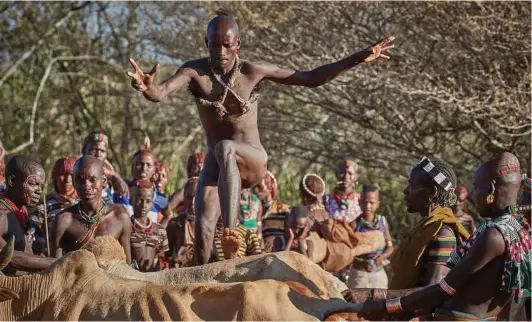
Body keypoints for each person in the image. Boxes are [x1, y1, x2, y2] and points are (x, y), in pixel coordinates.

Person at [128, 10, 394, 264]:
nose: (220, 52)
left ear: (238, 44)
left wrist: (359, 57)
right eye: (213, 46)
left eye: (226, 45)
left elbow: (311, 78)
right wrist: (146, 87)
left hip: (251, 158)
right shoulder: (194, 72)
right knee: (203, 224)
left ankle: (231, 233)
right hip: (219, 163)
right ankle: (205, 280)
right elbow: (161, 92)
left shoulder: (251, 72)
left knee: (226, 148)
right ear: (205, 43)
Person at [360, 152, 531, 321]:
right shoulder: (515, 229)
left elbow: (444, 288)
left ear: (491, 189)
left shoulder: (492, 235)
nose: (474, 194)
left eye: (476, 187)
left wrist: (383, 303)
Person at [389, 156, 469, 289]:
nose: (406, 191)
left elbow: (430, 292)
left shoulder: (443, 233)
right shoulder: (426, 227)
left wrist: (377, 297)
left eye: (412, 185)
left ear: (432, 192)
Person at [51, 155, 132, 264]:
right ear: (74, 183)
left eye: (92, 180)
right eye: (80, 180)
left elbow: (128, 266)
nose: (86, 186)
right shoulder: (63, 221)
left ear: (103, 181)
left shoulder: (120, 217)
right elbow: (55, 269)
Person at [0, 155, 55, 274]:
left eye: (41, 186)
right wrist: (57, 262)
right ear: (12, 181)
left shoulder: (21, 211)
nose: (39, 191)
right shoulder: (2, 215)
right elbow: (9, 257)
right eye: (33, 184)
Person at [300, 173, 359, 273]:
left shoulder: (307, 215)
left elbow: (303, 240)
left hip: (316, 267)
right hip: (332, 265)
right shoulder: (327, 214)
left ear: (303, 195)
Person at [349, 184, 393, 289]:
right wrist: (361, 261)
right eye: (365, 202)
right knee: (357, 304)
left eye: (371, 203)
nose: (368, 206)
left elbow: (390, 247)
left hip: (379, 273)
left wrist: (382, 257)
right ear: (359, 203)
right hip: (359, 276)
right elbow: (348, 251)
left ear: (378, 204)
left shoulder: (382, 222)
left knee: (379, 303)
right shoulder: (354, 224)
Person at [114, 140, 168, 223]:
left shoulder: (160, 198)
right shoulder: (121, 187)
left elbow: (168, 215)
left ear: (154, 170)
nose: (144, 169)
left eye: (148, 165)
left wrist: (158, 232)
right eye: (139, 164)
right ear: (132, 168)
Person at [129, 178, 169, 272]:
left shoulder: (160, 230)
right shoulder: (126, 228)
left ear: (152, 203)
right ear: (132, 200)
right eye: (139, 200)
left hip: (153, 279)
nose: (143, 205)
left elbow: (161, 256)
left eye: (148, 201)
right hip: (131, 278)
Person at [81, 131, 129, 203]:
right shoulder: (75, 172)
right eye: (93, 149)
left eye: (102, 151)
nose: (98, 154)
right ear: (84, 151)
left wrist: (115, 176)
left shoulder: (113, 180)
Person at [253, 171, 291, 252]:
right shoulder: (252, 210)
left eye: (259, 186)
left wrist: (275, 237)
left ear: (270, 187)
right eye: (254, 186)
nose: (256, 190)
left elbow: (293, 234)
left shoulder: (284, 210)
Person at [166, 177, 198, 268]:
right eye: (189, 197)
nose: (192, 202)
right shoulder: (175, 223)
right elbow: (167, 255)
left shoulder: (210, 223)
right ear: (184, 198)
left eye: (197, 196)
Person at [164, 152, 205, 217]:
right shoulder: (184, 192)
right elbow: (167, 209)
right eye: (195, 168)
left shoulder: (210, 191)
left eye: (203, 168)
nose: (200, 171)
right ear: (189, 171)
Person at [324, 160, 362, 225]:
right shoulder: (326, 200)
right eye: (342, 173)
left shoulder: (360, 200)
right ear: (337, 174)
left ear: (355, 177)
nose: (346, 176)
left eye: (350, 173)